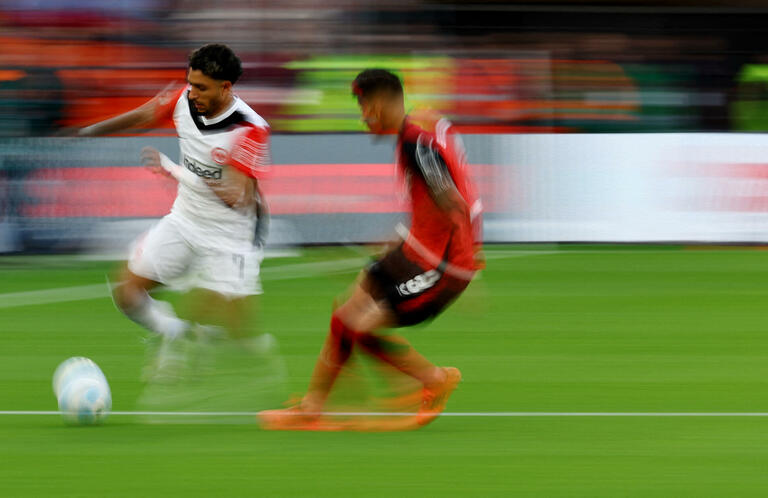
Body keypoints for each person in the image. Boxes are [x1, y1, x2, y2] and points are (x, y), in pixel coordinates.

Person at [259, 68, 483, 431]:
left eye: (362, 107)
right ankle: (312, 409)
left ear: (377, 104)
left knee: (358, 326)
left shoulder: (415, 141)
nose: (362, 117)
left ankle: (433, 379)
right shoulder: (414, 132)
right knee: (343, 315)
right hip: (418, 251)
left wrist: (468, 264)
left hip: (442, 266)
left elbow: (452, 202)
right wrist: (397, 240)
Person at [74, 43, 271, 378]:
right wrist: (89, 131)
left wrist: (175, 171)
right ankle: (174, 334)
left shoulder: (249, 128)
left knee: (232, 329)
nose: (192, 93)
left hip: (229, 235)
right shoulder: (184, 100)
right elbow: (146, 114)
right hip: (185, 221)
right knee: (127, 292)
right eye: (190, 83)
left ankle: (252, 365)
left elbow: (236, 196)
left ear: (226, 87)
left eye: (201, 87)